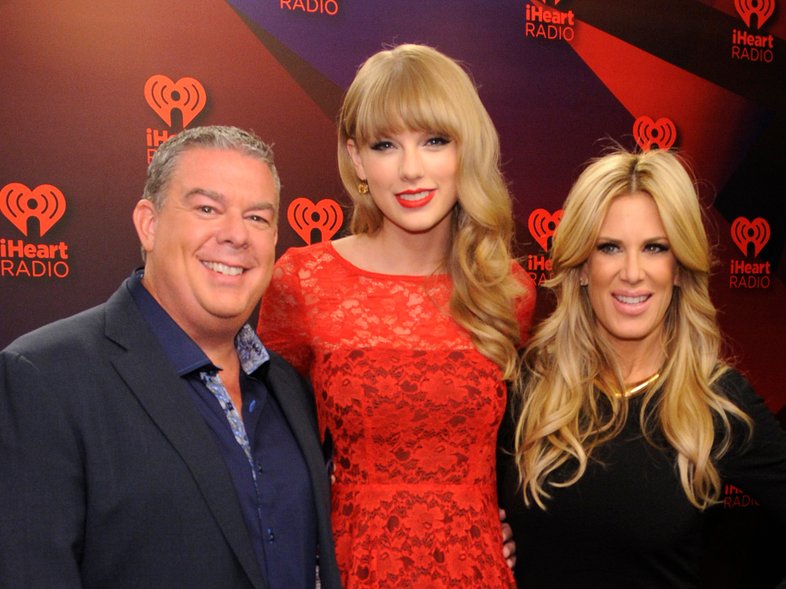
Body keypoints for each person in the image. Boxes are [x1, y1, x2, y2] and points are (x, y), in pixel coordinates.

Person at [0, 126, 341, 589]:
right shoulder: (44, 378)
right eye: (207, 208)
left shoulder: (290, 387)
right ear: (149, 223)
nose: (237, 235)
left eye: (258, 218)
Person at [257, 44, 535, 587]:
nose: (411, 169)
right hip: (351, 568)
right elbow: (268, 448)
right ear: (358, 160)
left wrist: (509, 524)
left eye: (434, 141)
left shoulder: (508, 291)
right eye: (386, 145)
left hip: (475, 570)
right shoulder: (303, 280)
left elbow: (521, 453)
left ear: (466, 150)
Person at [500, 148, 786, 587]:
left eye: (655, 248)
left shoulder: (715, 400)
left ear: (678, 268)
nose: (633, 273)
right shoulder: (526, 386)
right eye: (610, 248)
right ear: (582, 267)